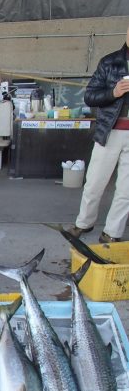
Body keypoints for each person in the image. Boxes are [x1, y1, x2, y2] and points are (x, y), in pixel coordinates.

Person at [70, 24, 129, 243]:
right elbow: (90, 97)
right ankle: (83, 223)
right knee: (95, 181)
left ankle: (112, 232)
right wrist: (113, 92)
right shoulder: (109, 62)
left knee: (126, 189)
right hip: (109, 132)